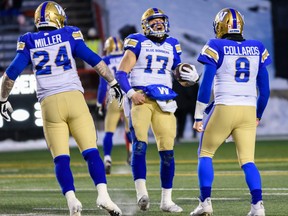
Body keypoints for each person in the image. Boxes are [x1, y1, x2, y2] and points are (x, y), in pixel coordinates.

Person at [0, 2, 123, 216]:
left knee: (61, 158)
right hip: (74, 99)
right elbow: (96, 61)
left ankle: (72, 200)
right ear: (57, 17)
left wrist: (2, 99)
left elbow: (10, 74)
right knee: (91, 151)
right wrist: (113, 83)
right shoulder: (69, 34)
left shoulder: (28, 41)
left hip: (49, 104)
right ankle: (103, 195)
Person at [115, 8, 199, 212]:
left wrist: (190, 78)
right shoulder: (137, 41)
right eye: (154, 21)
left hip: (164, 100)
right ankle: (141, 193)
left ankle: (166, 201)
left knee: (168, 152)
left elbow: (178, 74)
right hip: (141, 98)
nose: (159, 24)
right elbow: (121, 73)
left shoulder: (172, 44)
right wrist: (131, 93)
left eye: (161, 21)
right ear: (146, 24)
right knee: (139, 146)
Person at [190, 8, 271, 216]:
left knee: (205, 154)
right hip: (248, 109)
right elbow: (265, 90)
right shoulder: (257, 47)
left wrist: (198, 115)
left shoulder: (215, 45)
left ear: (220, 26)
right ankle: (257, 206)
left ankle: (205, 203)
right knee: (248, 161)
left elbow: (206, 84)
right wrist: (258, 114)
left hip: (224, 106)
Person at [96, 36, 132, 174]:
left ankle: (107, 158)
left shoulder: (105, 60)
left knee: (109, 131)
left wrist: (99, 102)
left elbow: (102, 85)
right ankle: (131, 153)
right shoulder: (127, 56)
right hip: (127, 95)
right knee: (130, 130)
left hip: (114, 97)